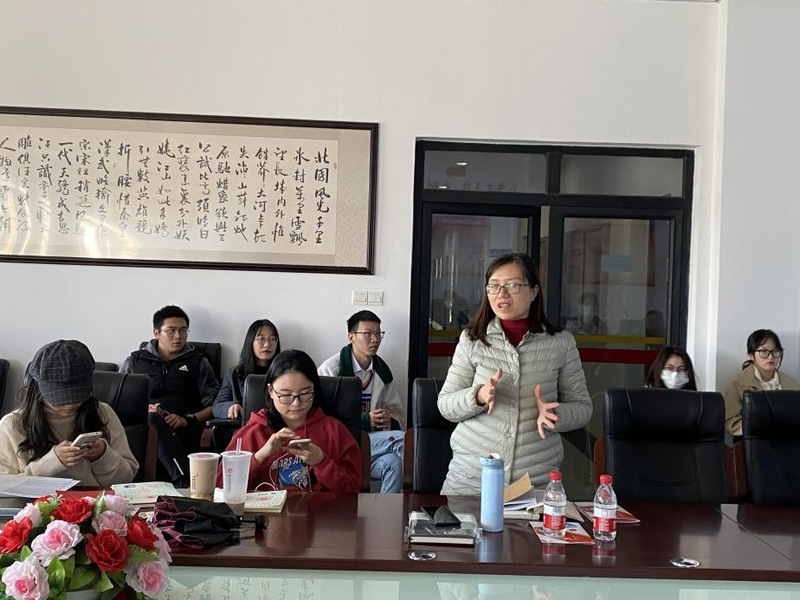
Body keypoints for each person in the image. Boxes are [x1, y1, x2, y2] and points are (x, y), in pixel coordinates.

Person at [438, 252, 592, 494]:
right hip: (471, 480)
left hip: (534, 483)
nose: (501, 294)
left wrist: (556, 414)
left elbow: (583, 408)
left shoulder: (561, 343)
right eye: (494, 286)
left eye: (512, 285)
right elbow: (446, 405)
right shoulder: (472, 340)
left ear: (534, 291)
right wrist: (478, 396)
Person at [220, 349, 361, 493]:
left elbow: (353, 491)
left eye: (305, 393)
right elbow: (221, 487)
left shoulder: (335, 431)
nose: (296, 403)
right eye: (286, 395)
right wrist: (260, 456)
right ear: (271, 391)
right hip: (263, 507)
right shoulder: (252, 432)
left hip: (318, 508)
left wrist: (321, 461)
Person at [0, 340, 138, 486]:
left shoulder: (103, 413)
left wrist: (103, 455)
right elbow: (4, 488)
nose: (69, 405)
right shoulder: (12, 425)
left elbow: (127, 479)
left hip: (97, 499)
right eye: (59, 399)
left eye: (77, 397)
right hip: (35, 501)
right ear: (38, 388)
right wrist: (49, 464)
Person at [121, 305, 219, 486]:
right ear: (156, 332)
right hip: (142, 428)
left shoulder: (198, 362)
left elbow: (214, 405)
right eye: (171, 330)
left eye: (183, 330)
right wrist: (144, 409)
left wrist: (187, 419)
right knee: (152, 418)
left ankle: (182, 480)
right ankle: (184, 480)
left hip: (183, 429)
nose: (178, 336)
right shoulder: (135, 361)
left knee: (155, 421)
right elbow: (119, 402)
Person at [318, 310, 406, 493]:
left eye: (378, 333)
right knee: (404, 441)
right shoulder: (330, 370)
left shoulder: (382, 372)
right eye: (367, 333)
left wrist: (389, 421)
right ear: (351, 336)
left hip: (372, 445)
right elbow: (320, 420)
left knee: (394, 464)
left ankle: (385, 511)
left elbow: (398, 414)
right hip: (339, 445)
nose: (375, 339)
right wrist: (365, 421)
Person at [723, 329, 800, 437]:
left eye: (775, 351)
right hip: (752, 439)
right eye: (764, 351)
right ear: (751, 355)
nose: (771, 357)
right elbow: (729, 421)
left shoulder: (793, 385)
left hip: (787, 439)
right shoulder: (738, 382)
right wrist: (757, 428)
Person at [212, 319, 281, 420]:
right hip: (245, 427)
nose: (267, 344)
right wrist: (231, 406)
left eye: (272, 339)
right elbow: (217, 406)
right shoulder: (234, 374)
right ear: (250, 341)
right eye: (261, 339)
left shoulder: (283, 373)